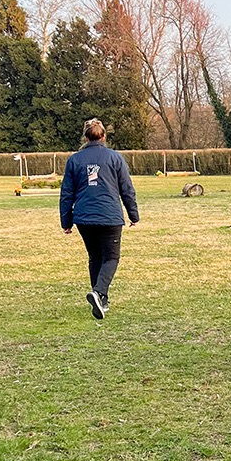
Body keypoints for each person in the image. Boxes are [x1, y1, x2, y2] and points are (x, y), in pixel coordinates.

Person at [59, 118, 139, 320]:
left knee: (95, 257)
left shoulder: (75, 160)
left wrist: (66, 222)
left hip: (84, 218)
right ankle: (99, 292)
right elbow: (126, 189)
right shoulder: (115, 158)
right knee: (111, 257)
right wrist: (133, 215)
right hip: (110, 216)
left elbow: (67, 193)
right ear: (103, 136)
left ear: (86, 137)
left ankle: (101, 300)